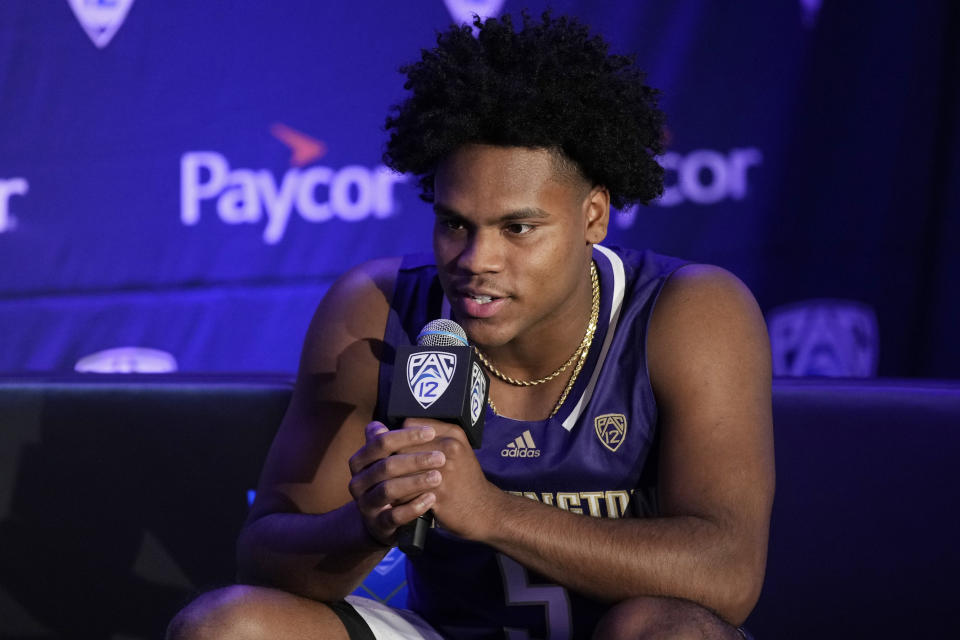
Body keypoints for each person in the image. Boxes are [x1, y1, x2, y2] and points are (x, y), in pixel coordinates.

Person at [168, 12, 774, 640]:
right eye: (455, 223)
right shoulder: (377, 310)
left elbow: (727, 576)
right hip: (442, 632)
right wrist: (367, 522)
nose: (474, 261)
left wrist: (492, 512)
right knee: (227, 627)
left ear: (593, 216)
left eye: (517, 228)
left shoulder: (690, 311)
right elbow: (264, 553)